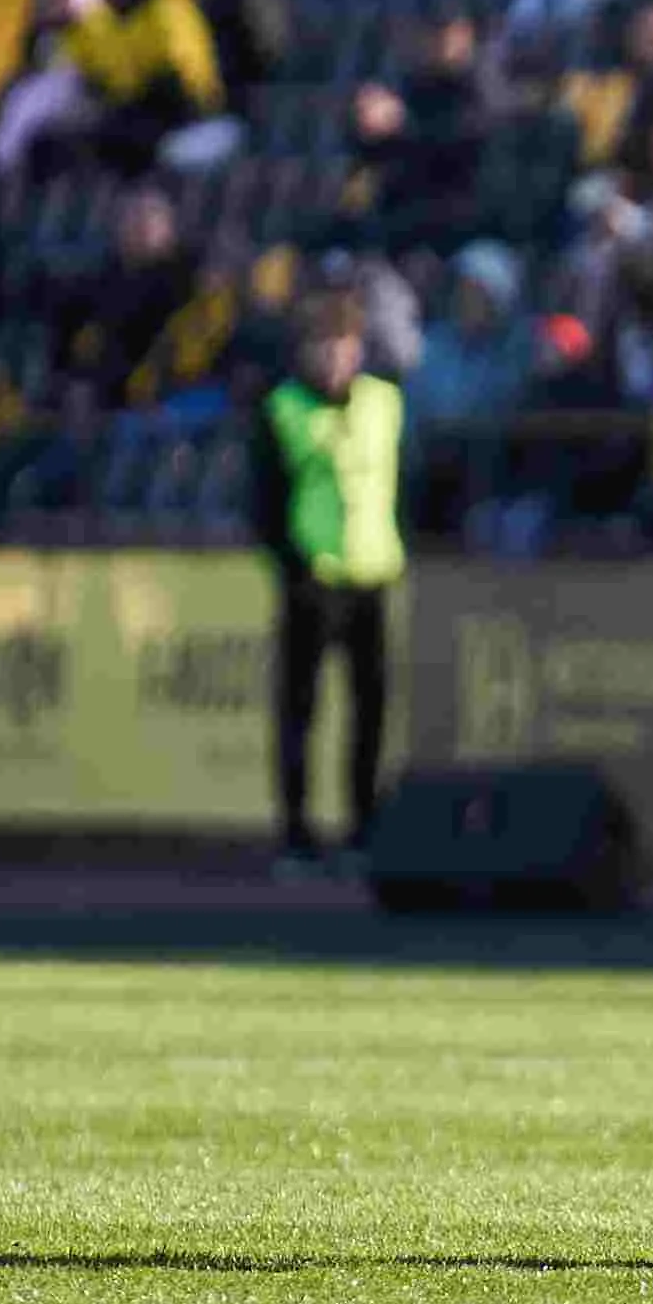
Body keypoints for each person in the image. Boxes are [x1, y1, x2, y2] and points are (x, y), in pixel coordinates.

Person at [250, 296, 406, 878]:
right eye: (325, 350)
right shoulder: (282, 408)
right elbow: (264, 501)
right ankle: (297, 833)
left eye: (344, 349)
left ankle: (364, 825)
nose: (336, 361)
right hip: (312, 581)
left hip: (372, 574)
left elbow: (404, 479)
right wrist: (293, 566)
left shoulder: (385, 403)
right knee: (301, 710)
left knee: (370, 710)